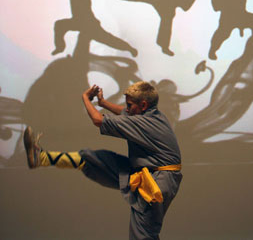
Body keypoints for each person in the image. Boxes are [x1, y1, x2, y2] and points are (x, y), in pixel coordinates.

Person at [23, 81, 182, 240]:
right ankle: (41, 158)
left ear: (144, 105)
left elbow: (98, 120)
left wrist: (85, 98)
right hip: (145, 171)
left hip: (156, 183)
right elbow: (123, 112)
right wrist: (102, 103)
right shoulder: (152, 115)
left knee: (144, 234)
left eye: (130, 105)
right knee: (95, 159)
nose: (127, 108)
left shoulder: (143, 123)